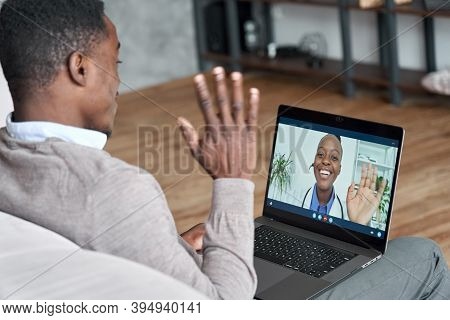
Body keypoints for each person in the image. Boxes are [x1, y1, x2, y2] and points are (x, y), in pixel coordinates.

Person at [0, 0, 448, 300]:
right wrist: (232, 178)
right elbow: (225, 305)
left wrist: (170, 248)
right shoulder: (117, 191)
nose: (118, 81)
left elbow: (98, 254)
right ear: (80, 67)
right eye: (114, 62)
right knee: (421, 253)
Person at [300, 134, 387, 227]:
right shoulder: (291, 198)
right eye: (321, 154)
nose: (325, 161)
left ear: (339, 169)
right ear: (314, 160)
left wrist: (358, 225)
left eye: (334, 157)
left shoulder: (350, 213)